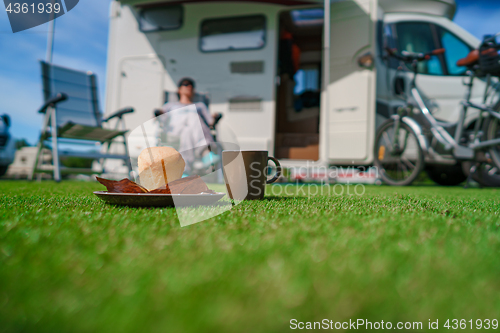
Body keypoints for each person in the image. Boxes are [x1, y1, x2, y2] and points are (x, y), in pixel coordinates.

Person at [157, 77, 222, 174]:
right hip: (176, 133)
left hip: (195, 133)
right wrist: (158, 114)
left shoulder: (200, 105)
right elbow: (163, 120)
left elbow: (210, 122)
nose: (189, 87)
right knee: (185, 131)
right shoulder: (170, 105)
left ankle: (185, 168)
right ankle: (206, 155)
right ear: (179, 89)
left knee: (191, 123)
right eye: (186, 84)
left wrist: (215, 117)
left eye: (191, 85)